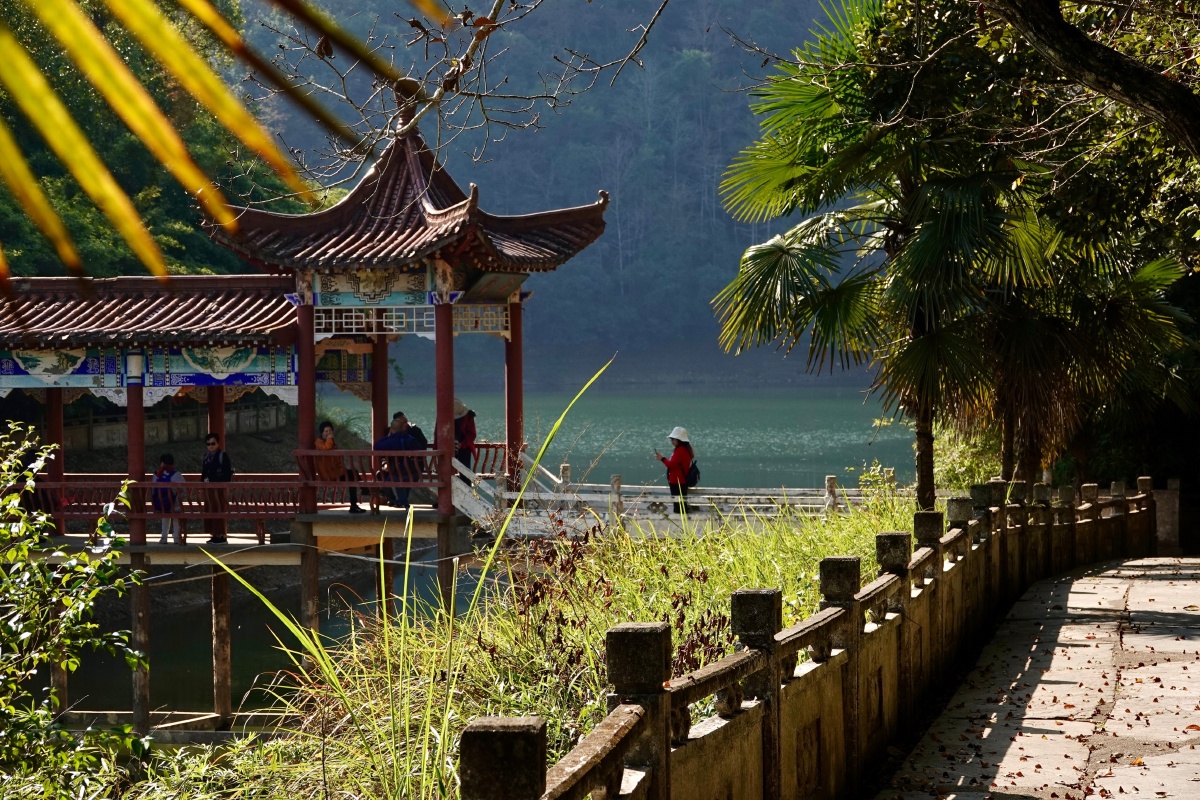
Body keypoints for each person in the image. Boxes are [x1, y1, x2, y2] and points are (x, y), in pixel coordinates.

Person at [374, 413, 427, 508]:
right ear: (403, 427)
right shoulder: (411, 440)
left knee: (391, 476)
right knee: (398, 474)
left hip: (397, 473)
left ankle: (397, 500)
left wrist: (390, 435)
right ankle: (401, 501)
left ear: (391, 429)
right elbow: (420, 447)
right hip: (413, 472)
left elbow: (376, 446)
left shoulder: (389, 441)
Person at [315, 420, 365, 513]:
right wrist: (330, 439)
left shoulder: (330, 442)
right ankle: (363, 492)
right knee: (352, 474)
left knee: (353, 474)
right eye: (326, 431)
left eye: (330, 431)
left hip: (336, 471)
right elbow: (326, 449)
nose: (329, 433)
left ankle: (355, 504)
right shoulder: (319, 442)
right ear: (322, 432)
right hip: (329, 474)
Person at [201, 433, 233, 544]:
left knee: (219, 510)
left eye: (213, 443)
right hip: (209, 488)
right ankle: (214, 534)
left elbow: (227, 473)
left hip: (219, 488)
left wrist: (222, 483)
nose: (210, 446)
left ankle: (221, 535)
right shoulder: (206, 456)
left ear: (217, 443)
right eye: (208, 444)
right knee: (210, 510)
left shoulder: (222, 456)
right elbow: (204, 472)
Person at [655, 426, 694, 514]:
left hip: (678, 482)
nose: (672, 441)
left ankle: (680, 523)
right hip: (680, 481)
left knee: (678, 507)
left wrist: (662, 459)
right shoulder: (684, 450)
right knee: (681, 504)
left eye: (673, 439)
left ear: (678, 440)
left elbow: (672, 465)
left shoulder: (680, 450)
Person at [152, 453, 186, 545]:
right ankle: (176, 537)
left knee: (165, 514)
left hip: (160, 505)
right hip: (174, 505)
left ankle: (164, 537)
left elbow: (153, 490)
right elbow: (184, 490)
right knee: (176, 512)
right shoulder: (177, 475)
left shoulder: (156, 475)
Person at [453, 397, 477, 478]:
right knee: (447, 473)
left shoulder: (469, 416)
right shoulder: (443, 416)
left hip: (464, 447)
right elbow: (438, 433)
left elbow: (472, 434)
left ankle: (467, 488)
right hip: (447, 446)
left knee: (465, 473)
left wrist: (461, 444)